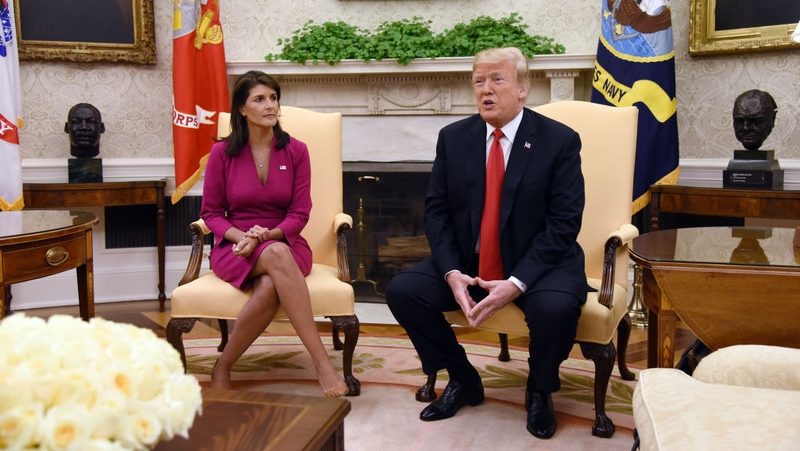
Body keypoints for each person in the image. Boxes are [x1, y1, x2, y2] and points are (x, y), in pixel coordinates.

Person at [385, 47, 587, 440]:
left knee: (557, 307)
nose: (486, 90)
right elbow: (436, 213)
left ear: (523, 88)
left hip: (539, 262)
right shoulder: (454, 138)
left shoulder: (558, 141)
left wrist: (517, 282)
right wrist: (452, 272)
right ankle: (463, 377)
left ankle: (540, 389)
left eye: (497, 80)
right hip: (470, 259)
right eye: (479, 81)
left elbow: (564, 224)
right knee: (404, 291)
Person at [201, 70, 348, 398]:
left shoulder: (296, 150)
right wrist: (244, 237)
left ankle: (223, 365)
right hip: (234, 247)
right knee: (275, 258)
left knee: (270, 282)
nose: (270, 105)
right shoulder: (221, 154)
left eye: (273, 98)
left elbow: (300, 213)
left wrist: (266, 236)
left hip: (286, 240)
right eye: (260, 99)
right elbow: (210, 215)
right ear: (242, 108)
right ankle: (322, 362)